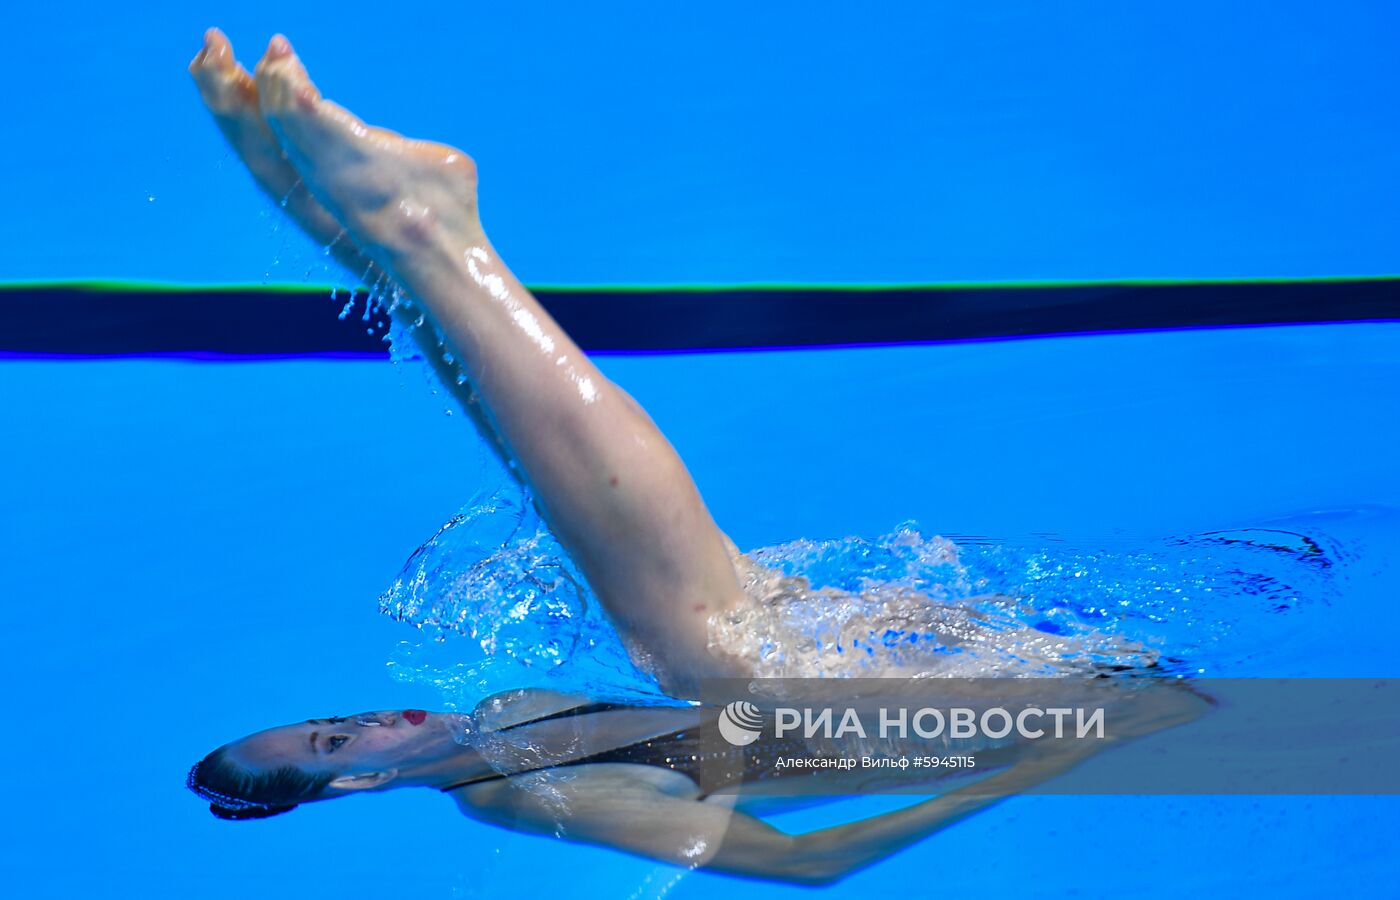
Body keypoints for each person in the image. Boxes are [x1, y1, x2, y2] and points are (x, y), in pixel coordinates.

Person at [186, 30, 1206, 884]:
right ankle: (422, 234)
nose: (363, 717)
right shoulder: (522, 796)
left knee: (569, 518)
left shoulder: (506, 717)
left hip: (887, 655)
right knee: (693, 648)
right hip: (979, 708)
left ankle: (366, 246)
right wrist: (1072, 749)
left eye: (330, 716)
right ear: (360, 782)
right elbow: (812, 863)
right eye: (338, 741)